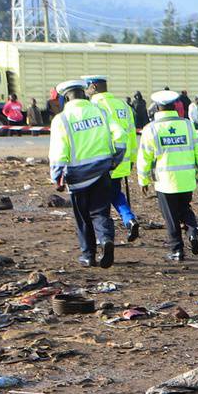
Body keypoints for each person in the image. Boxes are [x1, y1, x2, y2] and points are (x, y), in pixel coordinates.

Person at [48, 77, 127, 267]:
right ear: (84, 94)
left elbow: (59, 151)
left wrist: (56, 177)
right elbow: (121, 135)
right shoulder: (100, 112)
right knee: (100, 213)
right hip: (102, 171)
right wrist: (115, 159)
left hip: (78, 177)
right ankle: (106, 238)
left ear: (66, 99)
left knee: (83, 218)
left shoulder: (62, 119)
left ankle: (88, 255)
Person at [135, 90, 198, 262]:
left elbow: (144, 158)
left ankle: (177, 250)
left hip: (165, 182)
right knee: (185, 210)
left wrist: (143, 180)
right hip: (187, 179)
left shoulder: (151, 129)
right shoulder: (187, 125)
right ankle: (193, 234)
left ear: (157, 108)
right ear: (174, 106)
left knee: (170, 217)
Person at [87, 76, 142, 242]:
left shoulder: (93, 107)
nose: (86, 91)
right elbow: (131, 134)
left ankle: (104, 237)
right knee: (115, 194)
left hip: (102, 162)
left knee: (99, 202)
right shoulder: (122, 105)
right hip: (122, 161)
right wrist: (131, 158)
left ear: (94, 87)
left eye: (88, 87)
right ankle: (129, 218)